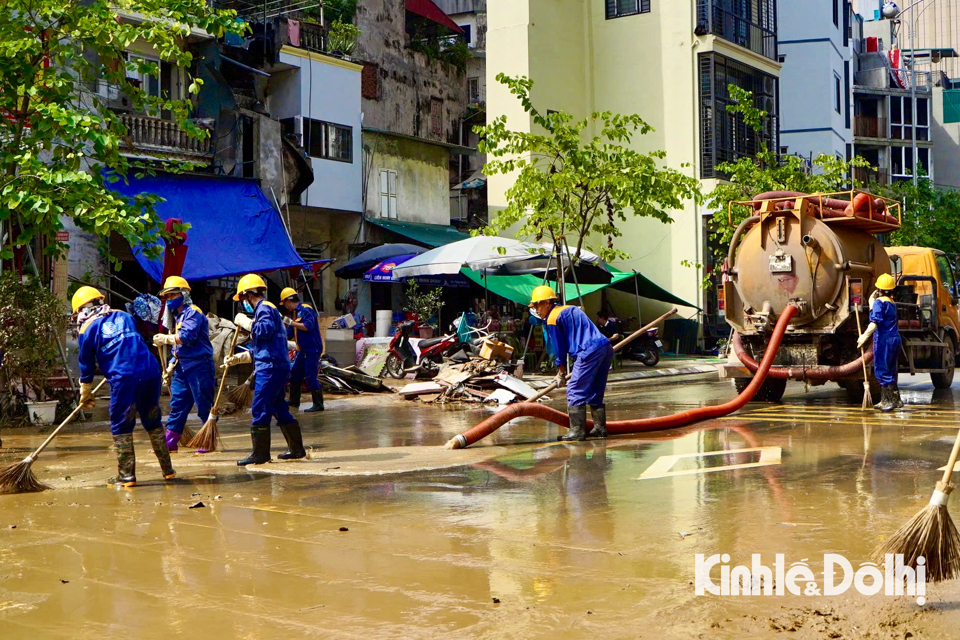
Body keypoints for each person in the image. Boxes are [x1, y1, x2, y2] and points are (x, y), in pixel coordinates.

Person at [73, 286, 174, 486]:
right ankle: (168, 470)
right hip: (149, 371)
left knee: (121, 423)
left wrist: (85, 388)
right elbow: (129, 343)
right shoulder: (124, 316)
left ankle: (126, 475)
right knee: (152, 419)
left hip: (124, 376)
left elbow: (86, 362)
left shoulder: (87, 329)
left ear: (82, 309)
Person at [224, 274, 306, 465]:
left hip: (270, 368)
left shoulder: (265, 308)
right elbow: (265, 344)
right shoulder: (268, 310)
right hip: (273, 364)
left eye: (243, 299)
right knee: (278, 406)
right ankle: (297, 449)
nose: (243, 303)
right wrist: (239, 358)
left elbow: (264, 330)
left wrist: (246, 322)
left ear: (248, 294)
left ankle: (260, 454)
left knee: (260, 407)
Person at [528, 285, 614, 441]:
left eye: (538, 305)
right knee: (595, 390)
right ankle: (600, 429)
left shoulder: (553, 319)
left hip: (588, 350)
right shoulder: (570, 309)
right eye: (534, 306)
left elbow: (559, 348)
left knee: (575, 389)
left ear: (548, 303)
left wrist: (560, 372)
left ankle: (577, 431)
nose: (536, 309)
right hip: (605, 347)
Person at [152, 276, 216, 453]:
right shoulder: (177, 317)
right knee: (177, 404)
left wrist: (166, 339)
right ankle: (170, 441)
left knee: (203, 404)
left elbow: (187, 337)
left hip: (199, 366)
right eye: (167, 297)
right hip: (182, 367)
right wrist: (171, 365)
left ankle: (207, 440)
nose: (169, 300)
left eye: (173, 296)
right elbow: (178, 349)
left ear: (183, 294)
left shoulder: (193, 313)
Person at [857, 273, 903, 412]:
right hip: (895, 338)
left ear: (878, 289)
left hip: (884, 339)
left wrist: (864, 336)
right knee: (890, 370)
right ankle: (886, 400)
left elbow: (875, 322)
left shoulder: (879, 302)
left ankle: (893, 401)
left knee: (882, 370)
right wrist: (872, 305)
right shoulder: (891, 302)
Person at [280, 287, 324, 413]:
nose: (285, 307)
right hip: (302, 350)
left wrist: (291, 323)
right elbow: (289, 333)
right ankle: (294, 400)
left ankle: (318, 404)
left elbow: (308, 326)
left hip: (312, 349)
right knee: (295, 374)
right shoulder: (294, 313)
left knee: (310, 376)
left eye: (285, 303)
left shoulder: (306, 309)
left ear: (289, 300)